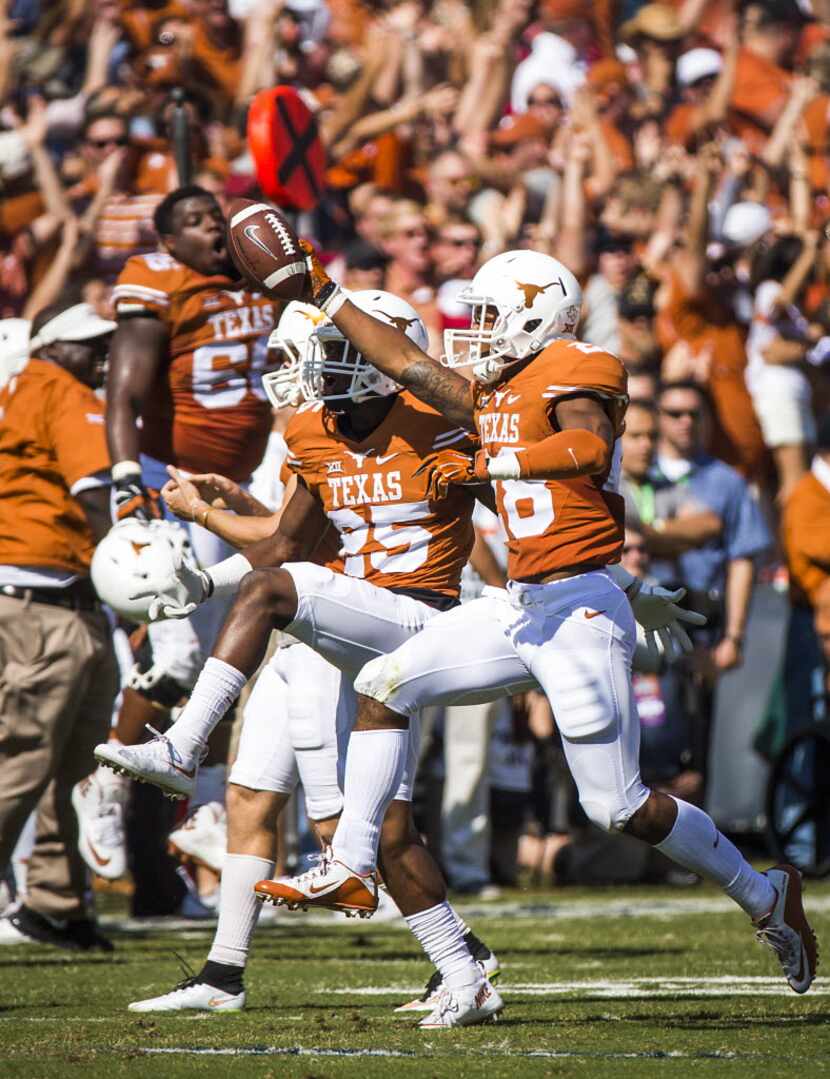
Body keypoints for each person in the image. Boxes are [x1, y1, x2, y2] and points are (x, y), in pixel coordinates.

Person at [257, 244, 816, 1009]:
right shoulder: (494, 394)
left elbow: (585, 449)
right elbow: (407, 362)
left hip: (580, 610)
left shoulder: (580, 366)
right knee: (384, 682)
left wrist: (504, 471)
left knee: (614, 806)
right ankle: (351, 859)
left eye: (489, 316)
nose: (476, 332)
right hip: (521, 603)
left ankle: (763, 892)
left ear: (537, 315)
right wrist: (322, 290)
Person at [95, 289, 503, 1028]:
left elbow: (532, 516)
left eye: (340, 350)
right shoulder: (313, 429)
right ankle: (227, 971)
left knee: (353, 827)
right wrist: (207, 528)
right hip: (317, 614)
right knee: (256, 794)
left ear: (392, 359)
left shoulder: (442, 422)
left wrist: (602, 585)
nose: (317, 367)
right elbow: (282, 545)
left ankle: (186, 747)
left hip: (402, 621)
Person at [0, 300, 119, 950]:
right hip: (45, 600)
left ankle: (56, 902)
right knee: (22, 763)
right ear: (50, 345)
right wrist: (134, 569)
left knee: (71, 766)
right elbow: (92, 489)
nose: (99, 354)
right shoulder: (59, 386)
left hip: (53, 594)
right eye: (88, 343)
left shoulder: (26, 385)